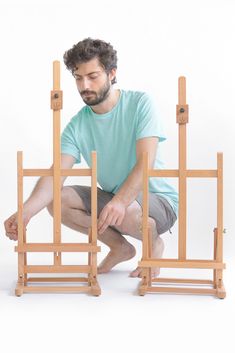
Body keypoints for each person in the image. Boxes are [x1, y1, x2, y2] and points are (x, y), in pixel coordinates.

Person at [4, 38, 178, 277]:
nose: (84, 85)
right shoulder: (77, 125)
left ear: (112, 73)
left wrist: (120, 201)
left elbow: (145, 162)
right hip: (117, 199)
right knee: (56, 200)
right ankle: (119, 248)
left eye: (93, 76)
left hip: (157, 201)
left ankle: (154, 244)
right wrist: (25, 212)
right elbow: (56, 176)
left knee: (127, 211)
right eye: (78, 77)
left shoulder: (140, 104)